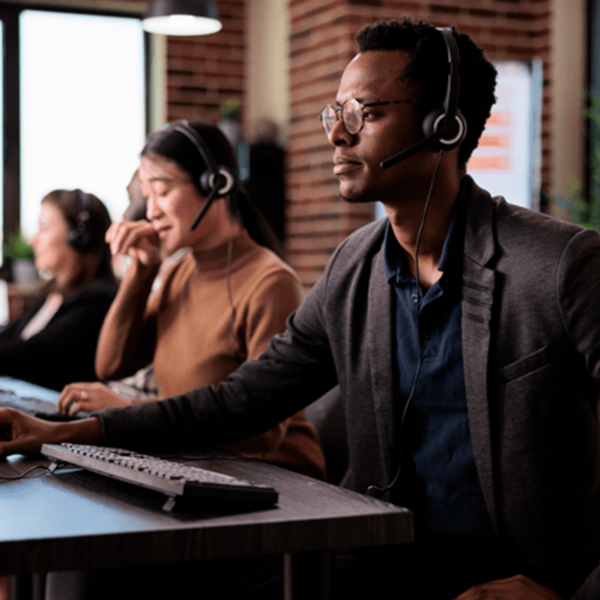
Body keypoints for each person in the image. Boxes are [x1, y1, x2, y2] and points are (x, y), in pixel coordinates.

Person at [0, 17, 599, 600]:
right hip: (377, 557)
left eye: (364, 113)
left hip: (512, 578)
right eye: (335, 114)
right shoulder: (354, 267)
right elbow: (239, 401)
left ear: (443, 125)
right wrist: (69, 430)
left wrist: (574, 592)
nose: (338, 134)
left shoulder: (559, 265)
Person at [52, 120, 325, 480]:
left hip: (279, 480)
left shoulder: (271, 282)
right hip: (195, 466)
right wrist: (142, 271)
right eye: (146, 198)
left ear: (214, 184)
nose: (151, 213)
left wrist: (130, 411)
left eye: (162, 192)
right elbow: (112, 365)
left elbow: (265, 429)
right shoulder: (177, 274)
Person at [0, 189, 117, 391]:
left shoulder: (98, 300)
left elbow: (29, 355)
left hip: (55, 416)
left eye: (43, 228)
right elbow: (8, 338)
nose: (33, 240)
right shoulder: (52, 294)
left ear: (79, 237)